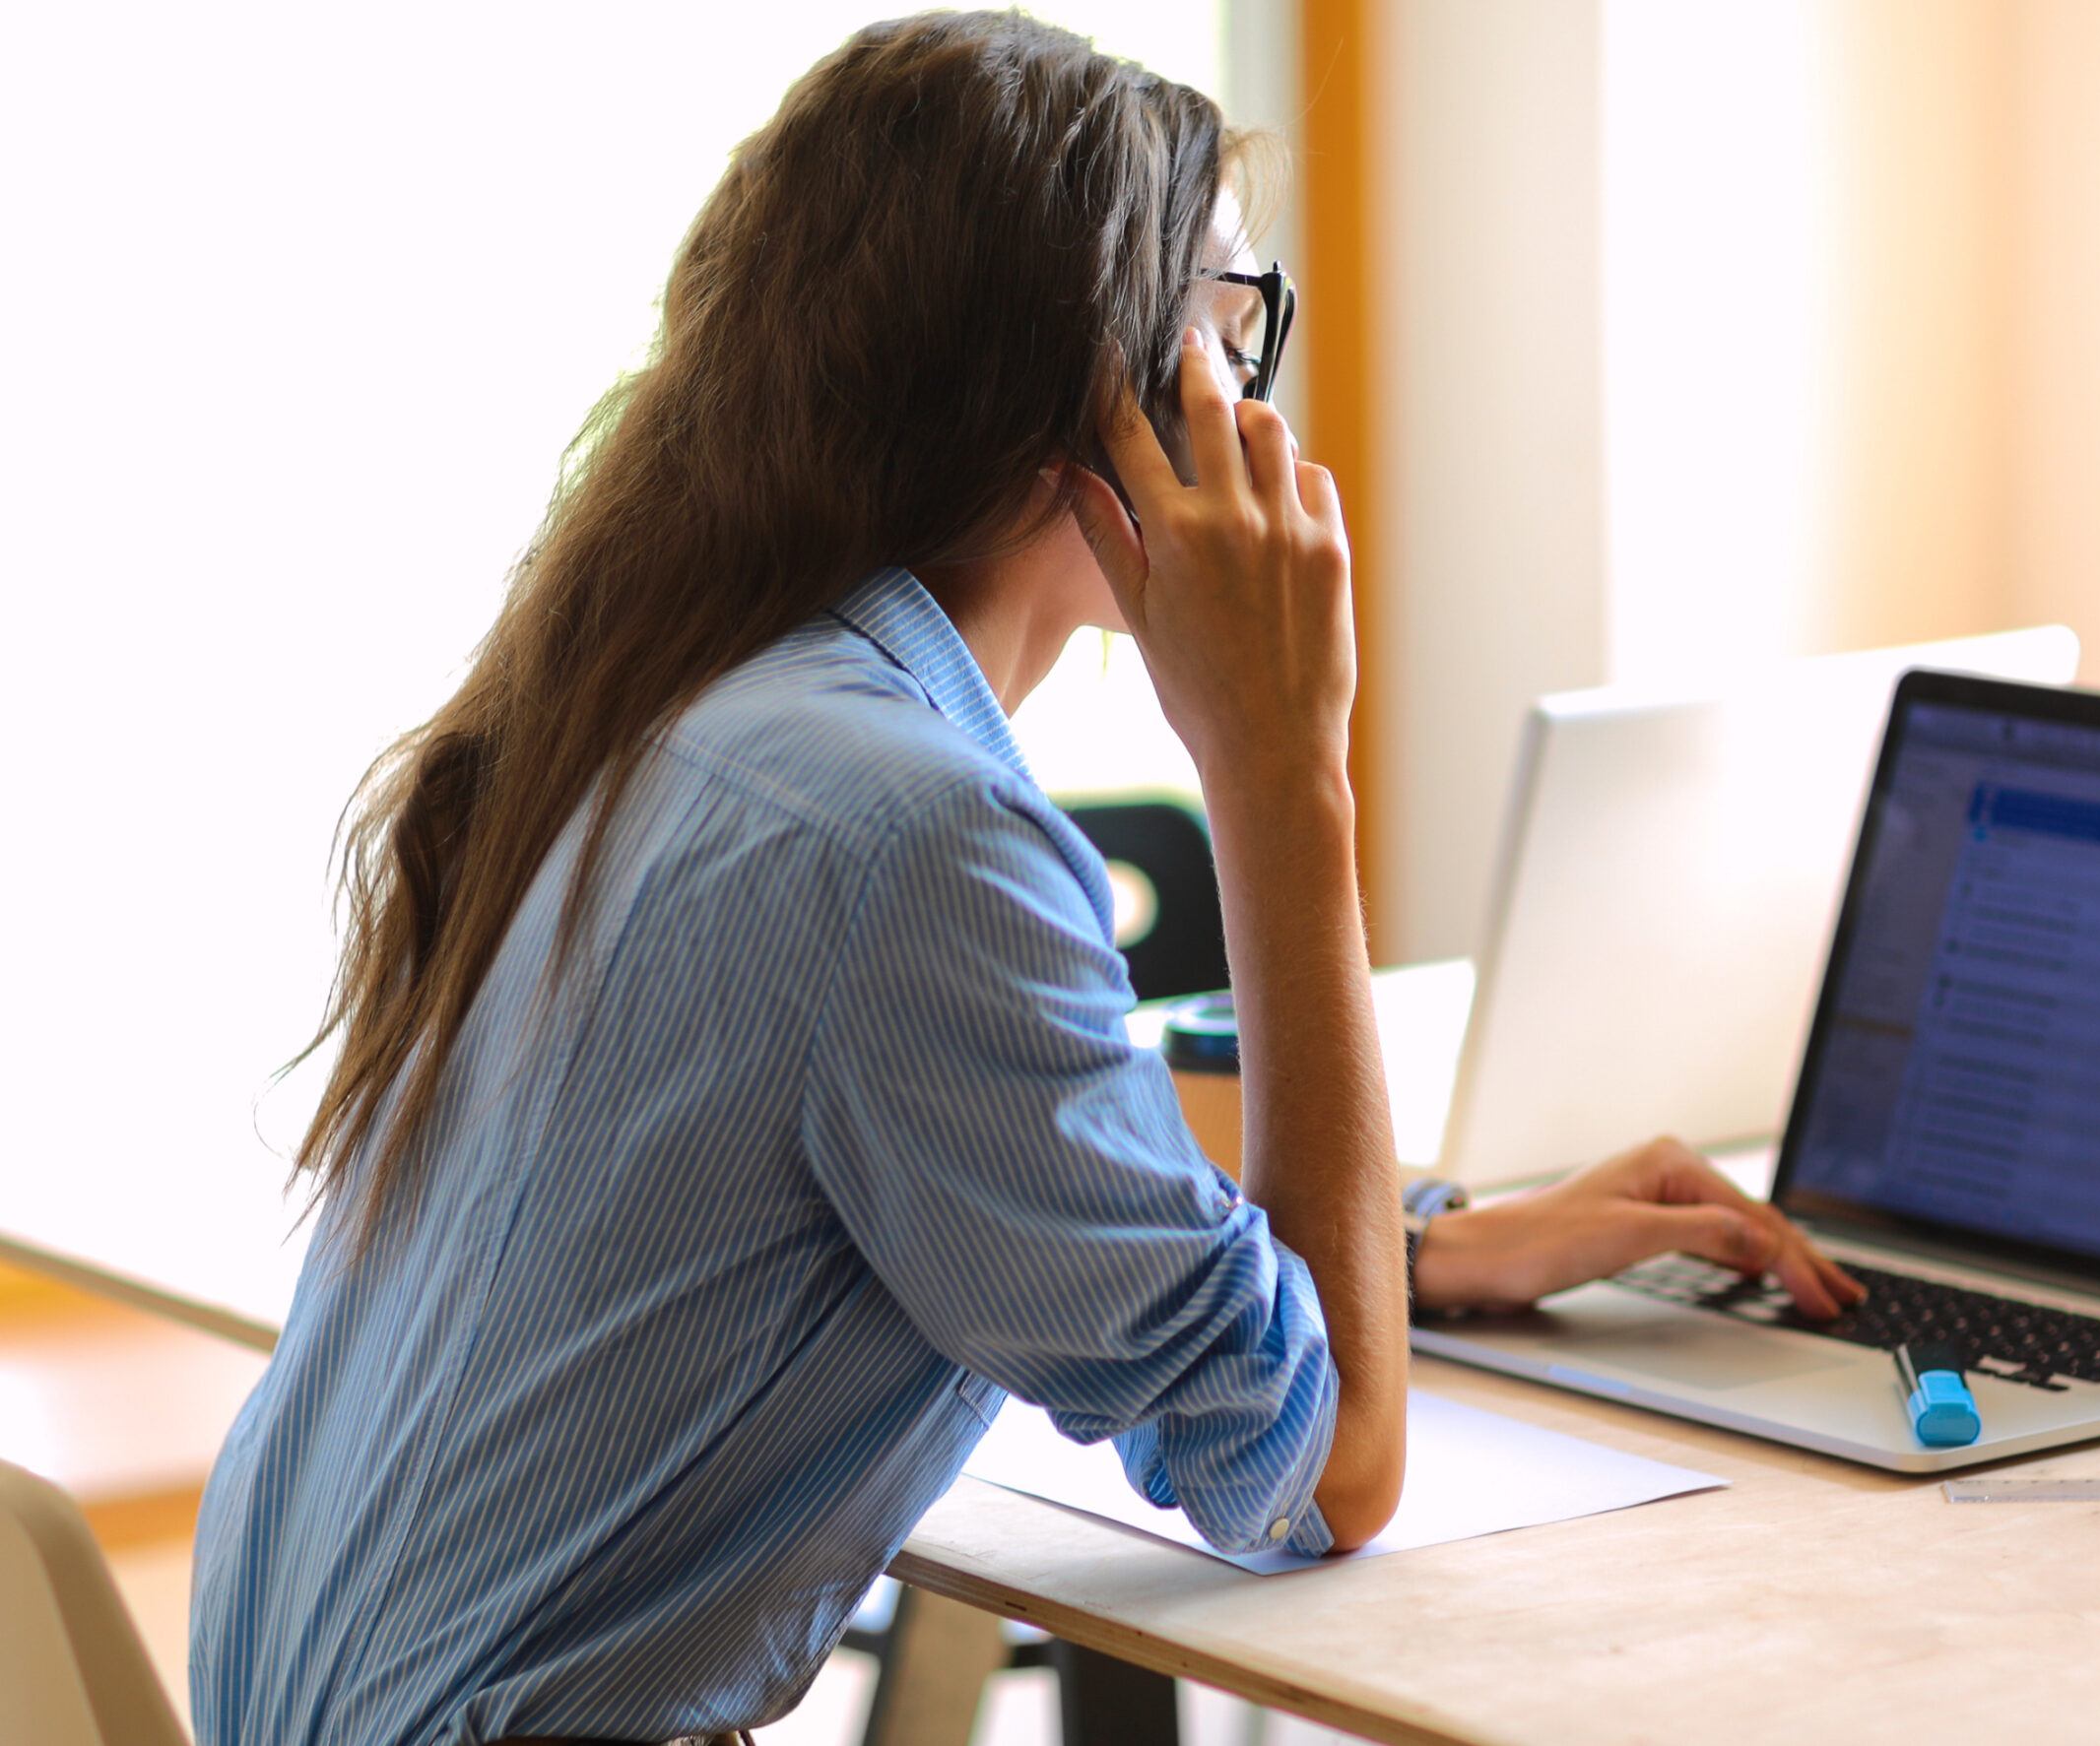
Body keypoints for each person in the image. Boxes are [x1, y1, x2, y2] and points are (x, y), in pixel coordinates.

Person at [189, 14, 1860, 1745]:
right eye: (1231, 325)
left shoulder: (671, 709)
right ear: (1103, 398)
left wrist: (1417, 1250)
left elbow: (965, 1154)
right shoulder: (911, 832)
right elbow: (1324, 1460)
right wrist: (1288, 776)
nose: (1258, 398)